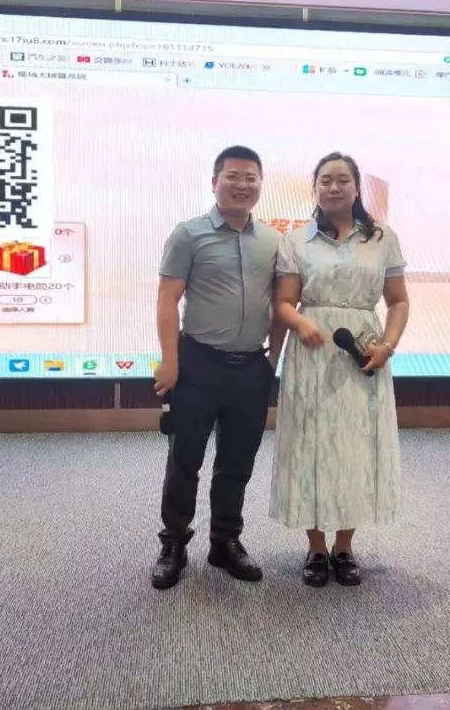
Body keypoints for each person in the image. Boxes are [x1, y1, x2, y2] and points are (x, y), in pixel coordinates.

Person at [270, 152, 410, 587]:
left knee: (355, 447)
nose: (333, 187)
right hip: (311, 353)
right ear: (314, 188)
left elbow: (398, 301)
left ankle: (345, 546)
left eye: (342, 180)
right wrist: (301, 323)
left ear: (356, 187)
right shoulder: (296, 240)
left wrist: (388, 345)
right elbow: (283, 303)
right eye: (325, 180)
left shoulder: (382, 238)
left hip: (362, 352)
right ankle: (315, 547)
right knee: (309, 445)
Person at [151, 145, 285, 591]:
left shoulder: (273, 242)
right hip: (198, 365)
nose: (242, 185)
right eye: (233, 176)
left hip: (251, 370)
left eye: (251, 177)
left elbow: (281, 303)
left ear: (260, 185)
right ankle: (173, 544)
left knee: (236, 462)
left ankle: (225, 542)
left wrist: (272, 360)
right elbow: (167, 300)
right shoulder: (188, 234)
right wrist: (171, 362)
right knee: (185, 459)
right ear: (215, 182)